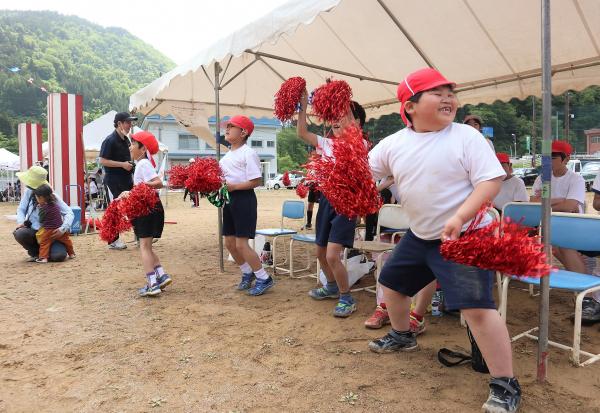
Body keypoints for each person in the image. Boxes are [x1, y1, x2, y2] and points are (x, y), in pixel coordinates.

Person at [368, 68, 520, 413]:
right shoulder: (392, 144)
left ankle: (505, 384)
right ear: (409, 106)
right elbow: (367, 177)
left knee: (476, 309)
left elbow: (489, 183)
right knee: (391, 285)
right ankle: (403, 336)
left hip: (466, 235)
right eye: (437, 92)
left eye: (450, 91)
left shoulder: (465, 136)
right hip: (421, 235)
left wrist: (459, 217)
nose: (448, 97)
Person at [296, 88, 367, 318]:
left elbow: (351, 129)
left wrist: (341, 98)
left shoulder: (360, 144)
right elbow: (302, 132)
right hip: (327, 200)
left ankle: (347, 297)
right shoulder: (327, 144)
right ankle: (332, 287)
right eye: (334, 117)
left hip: (346, 203)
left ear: (356, 122)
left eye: (344, 116)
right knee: (320, 252)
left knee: (332, 255)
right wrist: (304, 104)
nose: (337, 120)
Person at [221, 115, 274, 296]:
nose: (227, 129)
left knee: (242, 244)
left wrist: (234, 187)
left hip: (244, 200)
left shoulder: (248, 153)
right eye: (226, 126)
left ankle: (264, 277)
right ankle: (247, 273)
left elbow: (257, 180)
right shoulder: (227, 154)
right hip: (229, 199)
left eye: (231, 126)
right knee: (229, 243)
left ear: (243, 132)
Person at [118, 131, 172, 297]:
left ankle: (152, 284)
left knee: (144, 247)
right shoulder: (143, 163)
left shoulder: (143, 164)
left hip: (146, 210)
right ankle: (161, 275)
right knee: (147, 246)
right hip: (151, 208)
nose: (130, 146)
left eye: (133, 144)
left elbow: (158, 183)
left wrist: (136, 189)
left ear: (142, 149)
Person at [531, 140, 586, 273]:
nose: (548, 161)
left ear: (566, 159)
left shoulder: (576, 179)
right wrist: (559, 200)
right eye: (546, 157)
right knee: (554, 245)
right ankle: (581, 281)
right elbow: (533, 201)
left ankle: (583, 284)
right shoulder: (543, 178)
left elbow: (570, 206)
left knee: (563, 245)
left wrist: (546, 203)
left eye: (553, 157)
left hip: (571, 224)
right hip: (550, 223)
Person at [13, 165, 74, 262]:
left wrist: (62, 229)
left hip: (52, 234)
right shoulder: (28, 192)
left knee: (59, 256)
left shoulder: (51, 195)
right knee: (20, 233)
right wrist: (21, 222)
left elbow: (69, 213)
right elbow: (21, 209)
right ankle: (36, 253)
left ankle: (47, 252)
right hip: (34, 232)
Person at [99, 111, 138, 250]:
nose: (130, 125)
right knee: (114, 210)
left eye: (131, 122)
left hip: (127, 179)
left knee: (133, 206)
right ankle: (113, 240)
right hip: (113, 181)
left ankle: (139, 235)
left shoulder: (126, 140)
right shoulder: (109, 140)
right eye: (127, 122)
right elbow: (102, 160)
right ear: (119, 123)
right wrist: (122, 164)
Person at [33, 184, 76, 263]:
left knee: (44, 242)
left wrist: (40, 209)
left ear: (41, 198)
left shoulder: (43, 209)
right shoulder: (56, 205)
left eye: (37, 198)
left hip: (48, 230)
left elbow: (41, 220)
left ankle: (43, 257)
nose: (37, 200)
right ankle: (72, 253)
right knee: (67, 241)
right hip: (60, 229)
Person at [304, 149, 321, 230]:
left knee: (321, 205)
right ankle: (308, 223)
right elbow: (308, 175)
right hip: (312, 186)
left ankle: (320, 223)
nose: (313, 155)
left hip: (320, 187)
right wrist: (304, 179)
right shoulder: (310, 164)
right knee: (310, 204)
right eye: (312, 154)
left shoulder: (322, 162)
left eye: (315, 154)